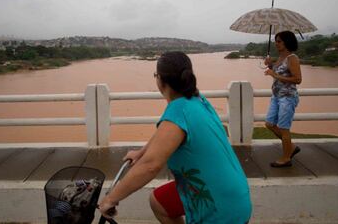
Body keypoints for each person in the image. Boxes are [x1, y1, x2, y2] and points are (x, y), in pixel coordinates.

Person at [99, 51, 252, 224]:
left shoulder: (178, 110)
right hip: (234, 193)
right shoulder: (197, 100)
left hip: (222, 210)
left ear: (160, 80)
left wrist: (111, 198)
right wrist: (141, 152)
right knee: (159, 202)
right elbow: (164, 133)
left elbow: (150, 166)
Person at [264, 31, 302, 168]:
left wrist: (273, 73)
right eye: (276, 41)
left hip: (287, 98)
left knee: (284, 128)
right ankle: (291, 147)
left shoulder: (292, 58)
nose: (276, 43)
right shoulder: (280, 57)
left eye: (279, 41)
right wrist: (270, 65)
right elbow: (277, 72)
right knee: (269, 123)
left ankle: (286, 158)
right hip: (276, 96)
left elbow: (297, 79)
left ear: (287, 42)